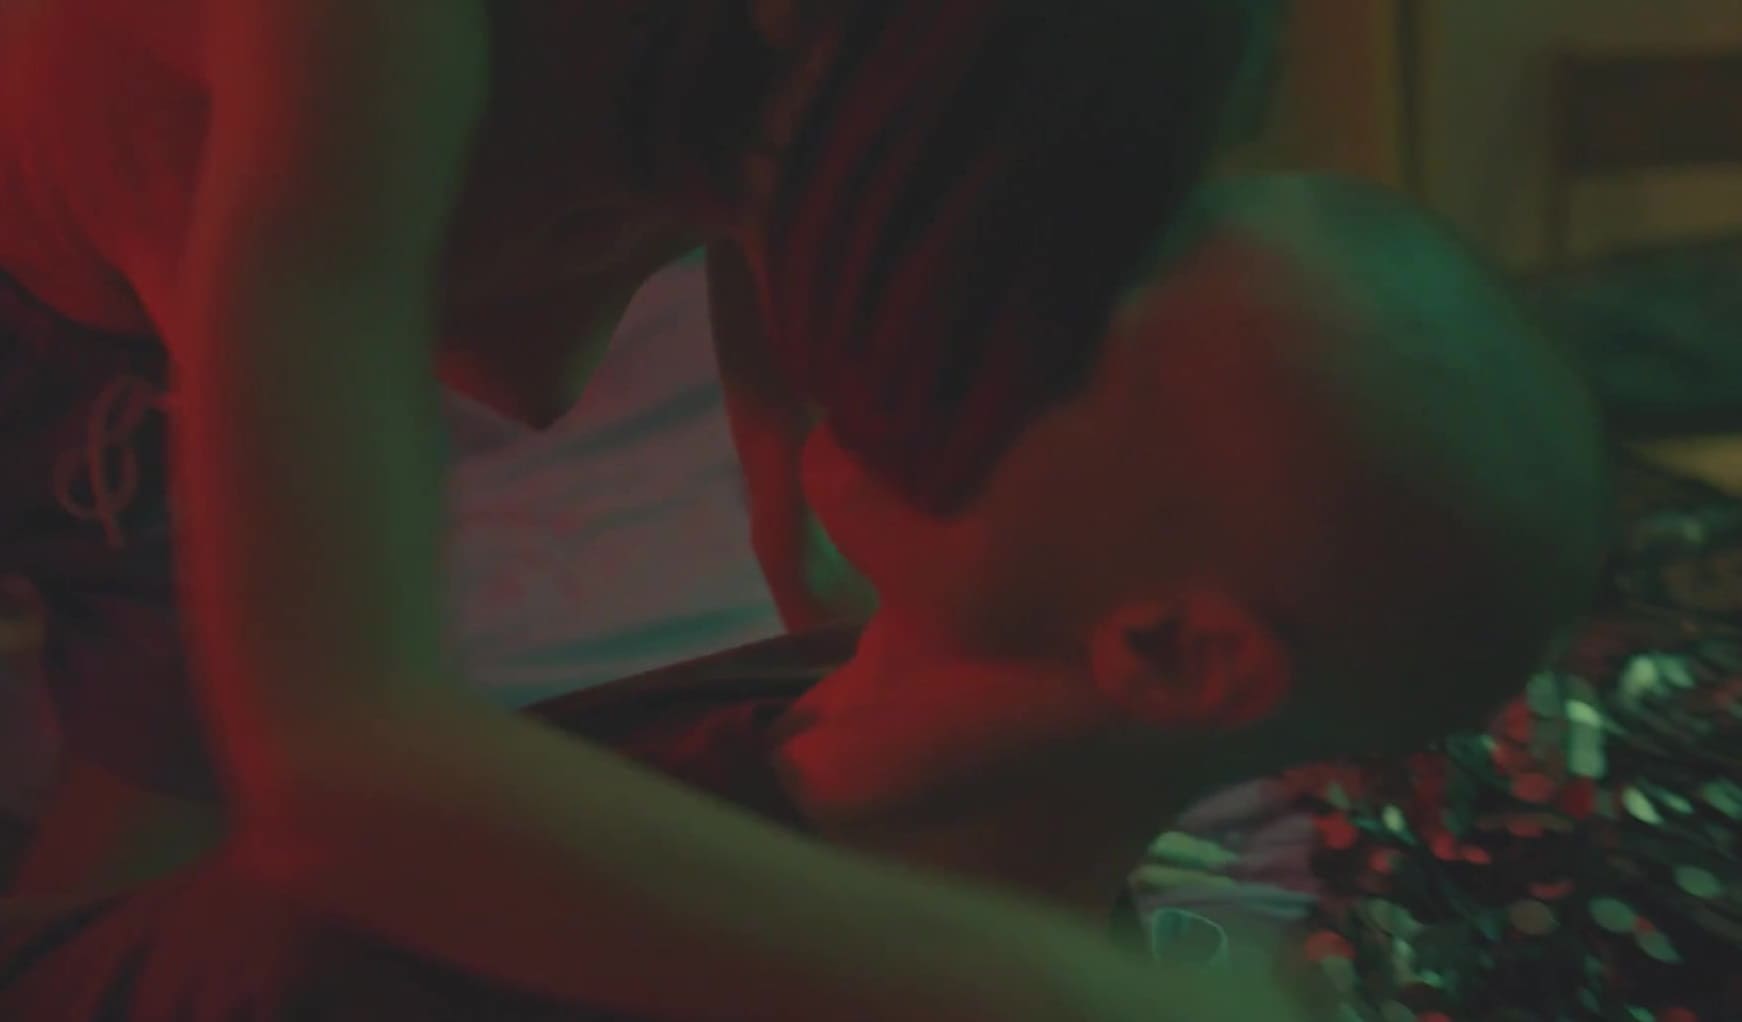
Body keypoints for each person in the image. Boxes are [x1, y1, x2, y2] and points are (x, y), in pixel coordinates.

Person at [0, 173, 1611, 1019]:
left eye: (1053, 337)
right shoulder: (840, 688)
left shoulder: (722, 946)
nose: (933, 308)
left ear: (1172, 647)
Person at [0, 0, 1283, 1018]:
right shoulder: (373, 34)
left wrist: (843, 599)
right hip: (61, 309)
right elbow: (335, 769)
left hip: (148, 403)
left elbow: (730, 452)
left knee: (117, 914)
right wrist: (1049, 985)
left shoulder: (786, 76)